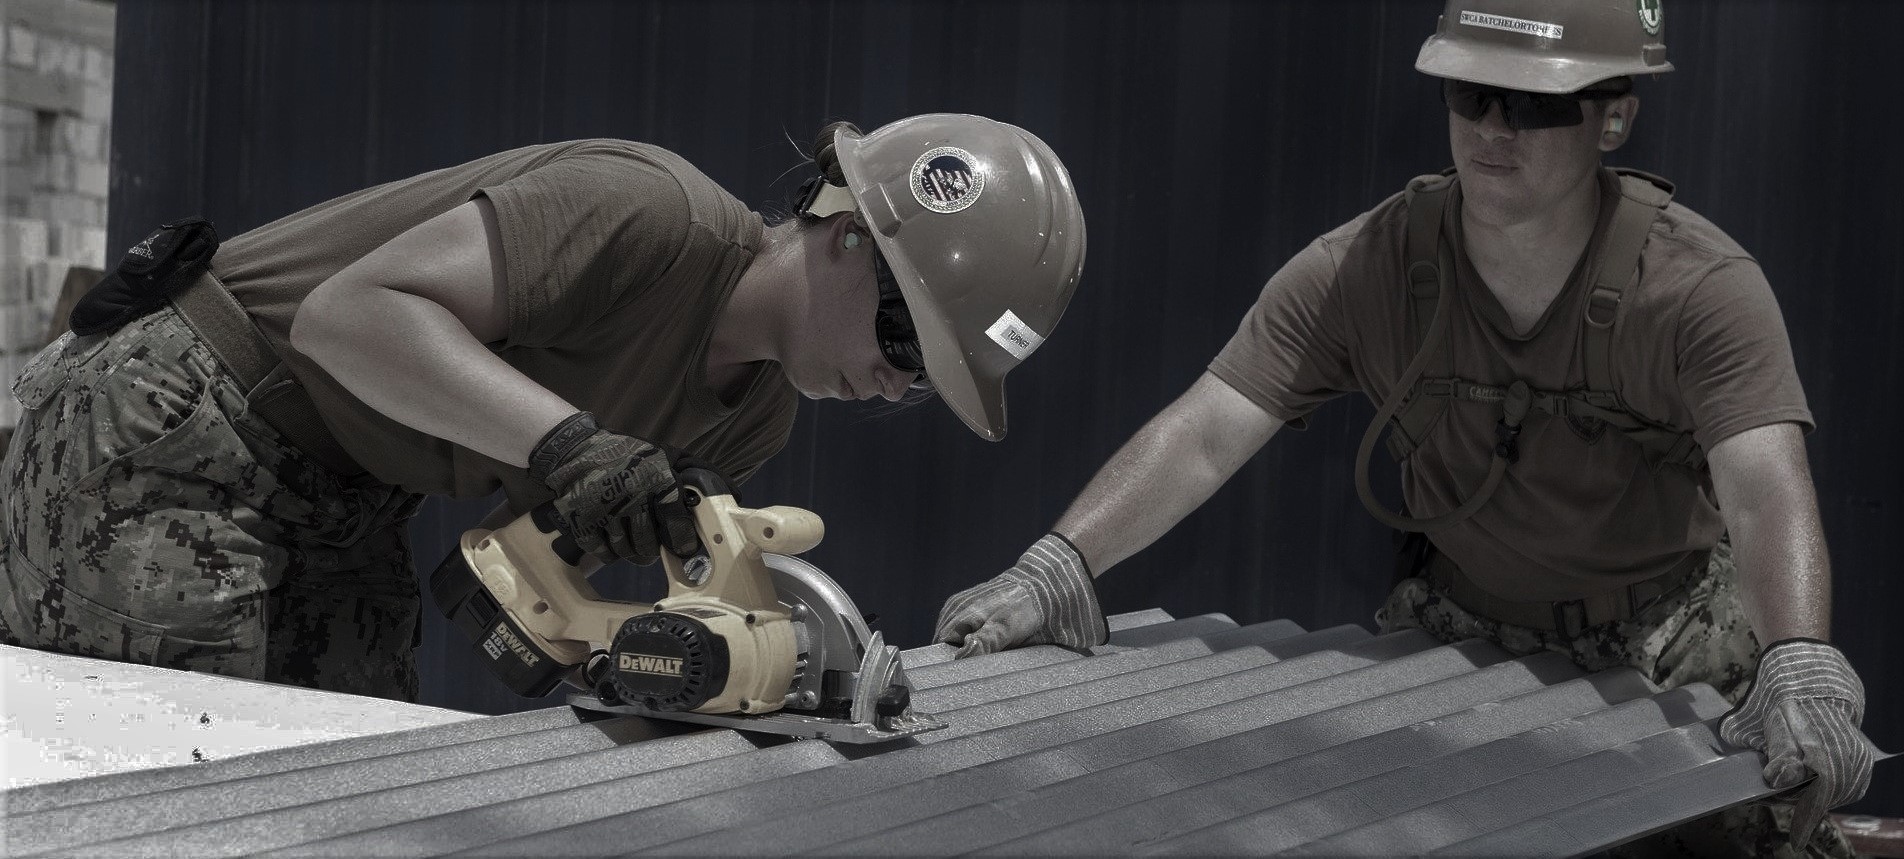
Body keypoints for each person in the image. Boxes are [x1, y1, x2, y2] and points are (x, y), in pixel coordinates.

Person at [934, 2, 1875, 855]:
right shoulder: (1368, 268)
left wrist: (1799, 657)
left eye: (1536, 106)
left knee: (1737, 831)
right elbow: (1208, 429)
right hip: (1464, 630)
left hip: (1669, 633)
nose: (1496, 132)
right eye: (1474, 97)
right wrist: (1058, 564)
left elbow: (1766, 490)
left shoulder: (1701, 289)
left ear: (1613, 118)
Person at [0, 113, 1085, 705]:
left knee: (342, 781)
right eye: (904, 341)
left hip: (349, 496)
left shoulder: (749, 422)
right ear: (850, 232)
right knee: (185, 785)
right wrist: (569, 444)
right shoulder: (651, 213)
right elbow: (347, 316)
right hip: (177, 416)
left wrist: (643, 657)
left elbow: (511, 580)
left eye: (923, 382)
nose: (894, 383)